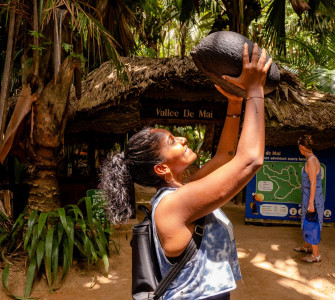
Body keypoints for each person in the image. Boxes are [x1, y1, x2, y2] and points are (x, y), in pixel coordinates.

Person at [99, 43, 272, 299]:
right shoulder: (174, 204)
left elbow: (226, 156)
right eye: (171, 141)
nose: (182, 139)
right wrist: (255, 88)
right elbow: (250, 161)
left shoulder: (183, 189)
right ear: (161, 167)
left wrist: (235, 103)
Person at [294, 135, 324, 263]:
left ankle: (316, 254)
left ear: (301, 147)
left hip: (312, 197)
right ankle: (306, 246)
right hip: (309, 195)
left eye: (299, 148)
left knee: (312, 223)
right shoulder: (312, 159)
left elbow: (313, 183)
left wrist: (311, 203)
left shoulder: (311, 161)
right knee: (307, 220)